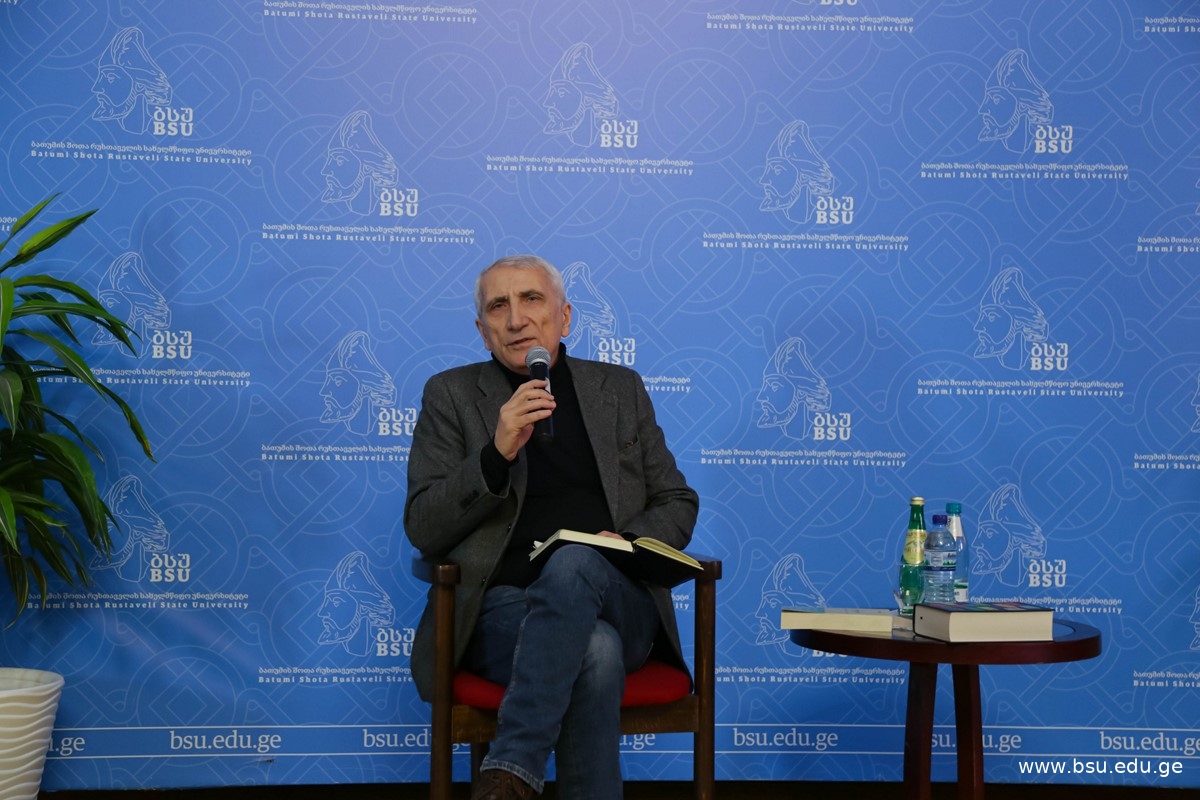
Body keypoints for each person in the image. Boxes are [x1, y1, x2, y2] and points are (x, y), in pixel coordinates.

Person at [405, 254, 699, 799]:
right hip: (504, 610)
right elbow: (424, 527)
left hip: (619, 597)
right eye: (499, 306)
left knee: (576, 560)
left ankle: (511, 769)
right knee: (595, 651)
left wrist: (628, 544)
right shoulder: (450, 395)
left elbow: (676, 500)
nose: (516, 318)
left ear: (564, 318)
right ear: (482, 331)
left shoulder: (619, 389)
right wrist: (494, 455)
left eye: (532, 299)